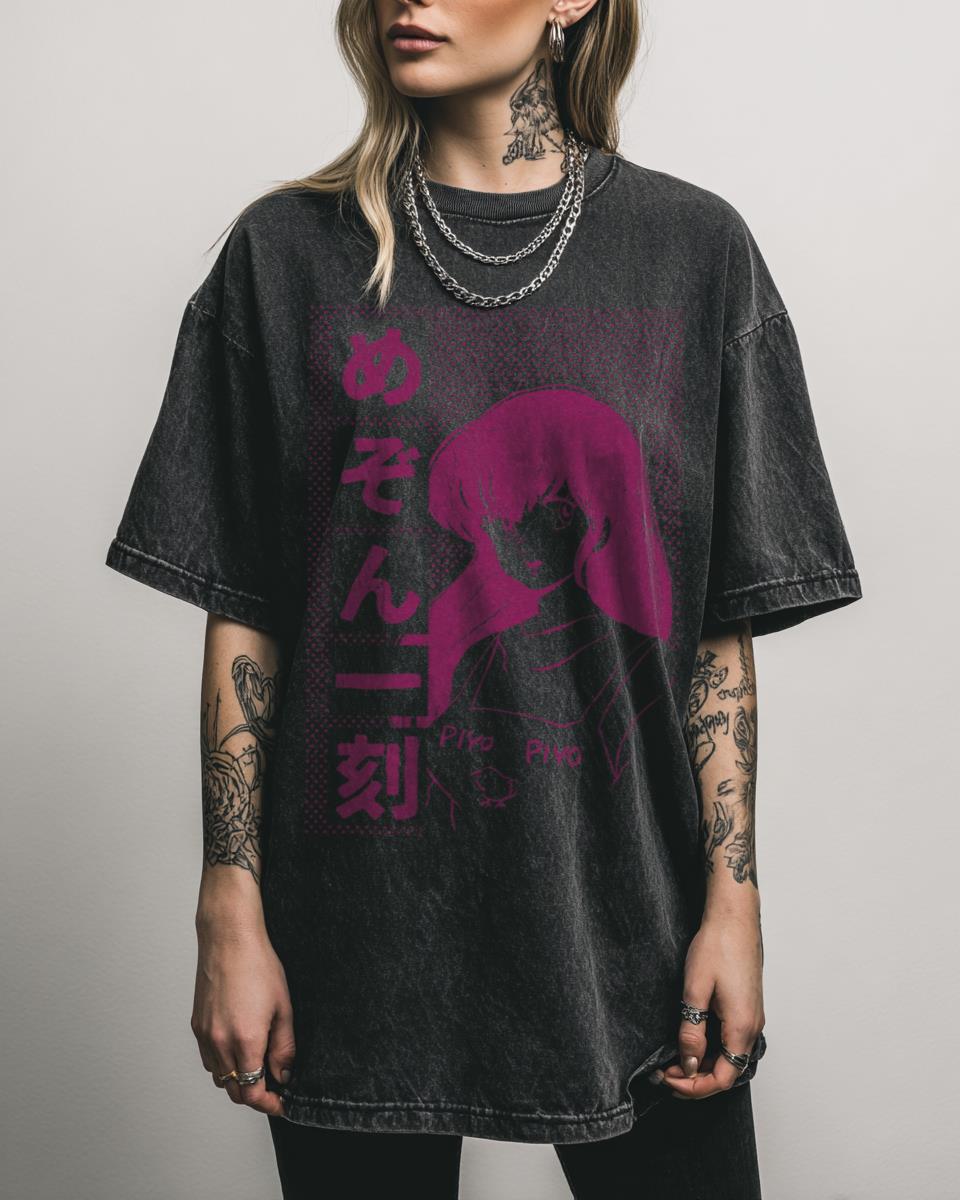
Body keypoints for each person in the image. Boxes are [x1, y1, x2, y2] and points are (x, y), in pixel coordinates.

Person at [103, 0, 864, 1196]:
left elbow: (714, 631)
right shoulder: (286, 255)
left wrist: (734, 901)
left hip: (631, 921)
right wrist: (229, 904)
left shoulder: (694, 252)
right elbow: (246, 608)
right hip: (355, 932)